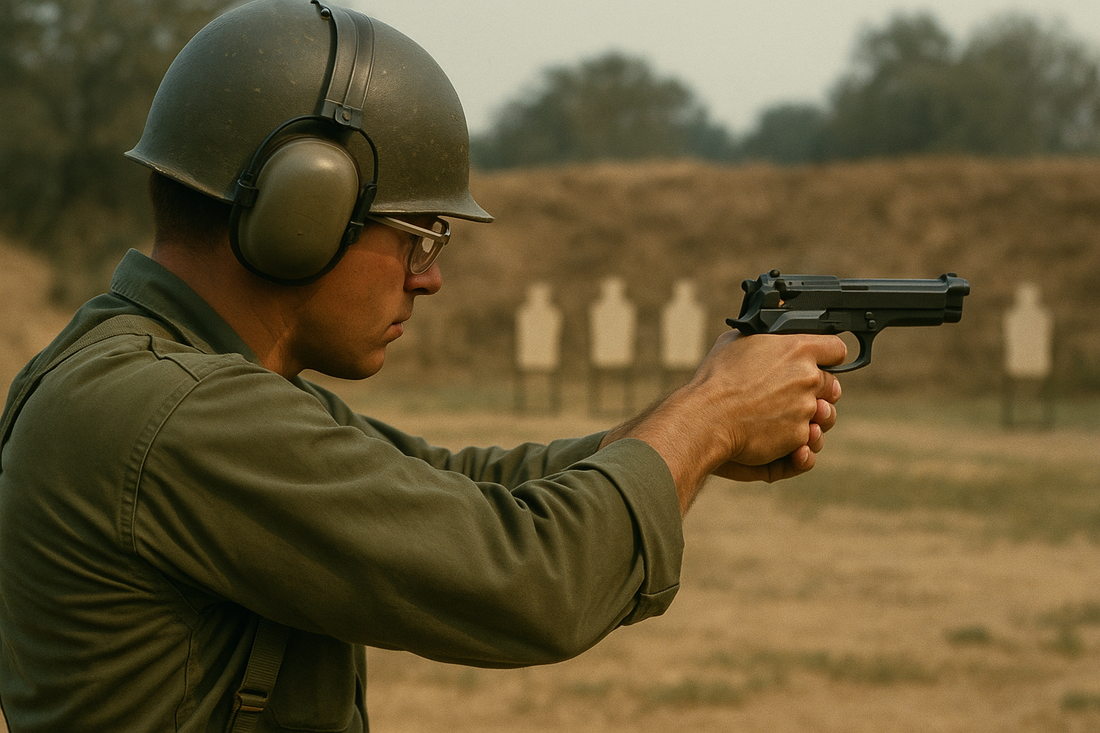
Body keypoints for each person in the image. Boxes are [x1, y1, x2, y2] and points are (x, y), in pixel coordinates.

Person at [0, 0, 845, 730]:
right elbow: (529, 579)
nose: (429, 277)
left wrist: (690, 426)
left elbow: (461, 488)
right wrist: (708, 418)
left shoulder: (159, 373)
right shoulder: (178, 413)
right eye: (417, 235)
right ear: (304, 211)